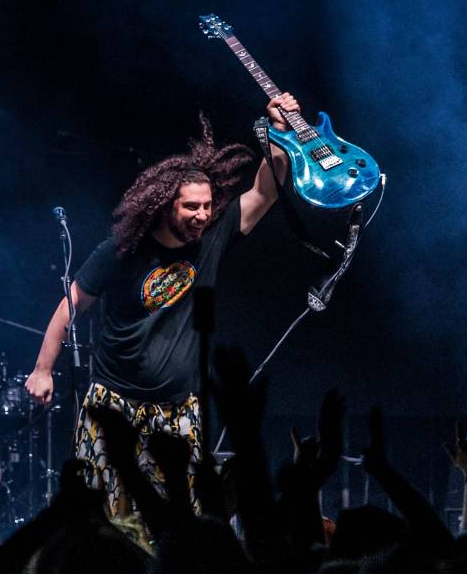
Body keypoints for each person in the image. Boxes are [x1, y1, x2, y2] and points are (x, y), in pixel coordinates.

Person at [25, 93, 299, 524]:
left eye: (207, 206)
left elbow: (265, 192)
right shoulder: (123, 250)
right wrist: (43, 369)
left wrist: (280, 133)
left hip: (178, 410)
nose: (202, 215)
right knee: (105, 521)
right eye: (191, 207)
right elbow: (71, 304)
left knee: (179, 521)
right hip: (114, 405)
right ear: (166, 205)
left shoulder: (213, 237)